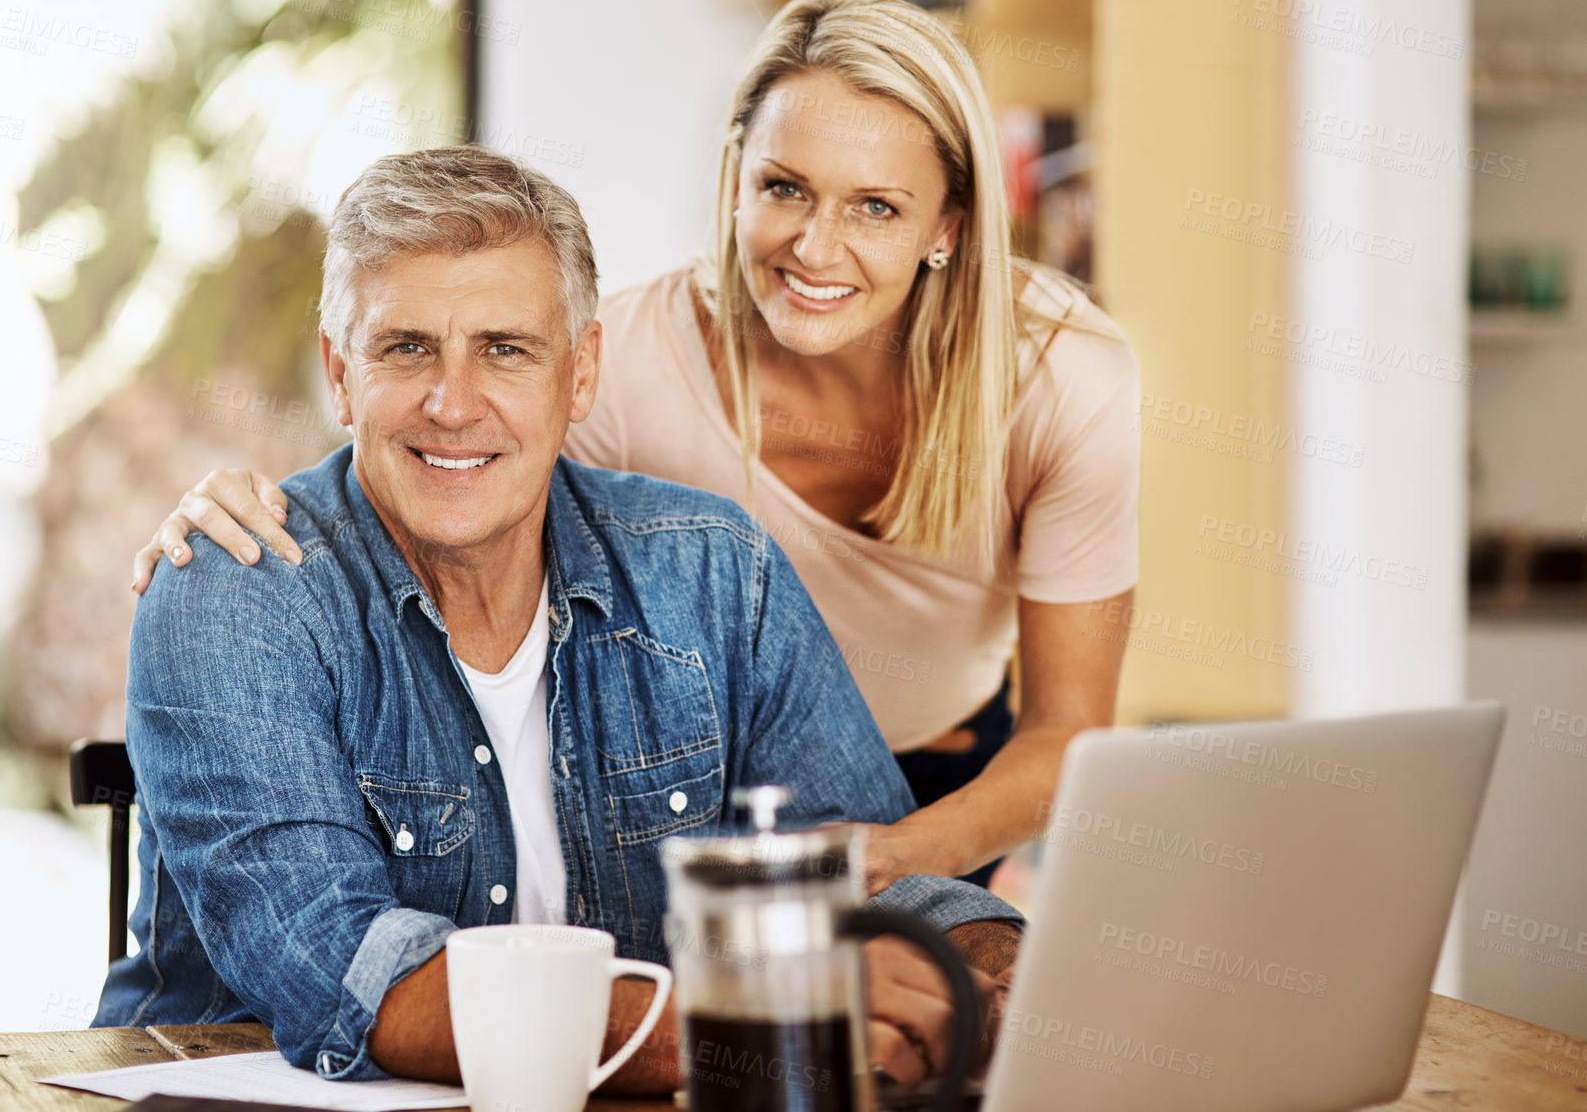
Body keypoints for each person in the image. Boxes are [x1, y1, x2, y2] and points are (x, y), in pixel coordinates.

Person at [130, 0, 1140, 893]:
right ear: (737, 176)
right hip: (708, 778)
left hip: (954, 775)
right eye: (785, 187)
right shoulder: (623, 367)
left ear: (949, 226)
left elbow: (1069, 727)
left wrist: (891, 863)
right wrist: (248, 518)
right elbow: (436, 453)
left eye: (876, 206)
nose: (815, 247)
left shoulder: (1065, 384)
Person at [93, 145, 1022, 1091]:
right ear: (340, 375)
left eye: (505, 349)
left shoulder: (711, 572)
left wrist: (999, 972)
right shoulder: (237, 591)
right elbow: (353, 978)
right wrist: (760, 1017)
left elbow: (875, 882)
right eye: (406, 348)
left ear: (580, 375)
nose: (453, 404)